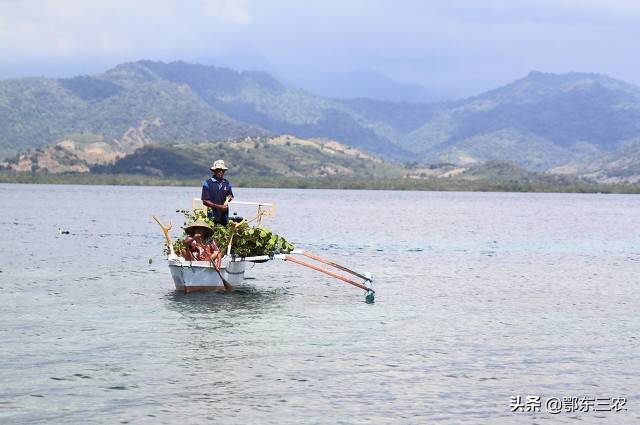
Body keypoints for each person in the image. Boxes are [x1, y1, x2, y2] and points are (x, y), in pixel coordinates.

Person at [201, 159, 234, 225]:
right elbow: (205, 201)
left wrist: (229, 198)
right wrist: (219, 207)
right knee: (212, 231)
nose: (221, 172)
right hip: (212, 216)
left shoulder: (226, 183)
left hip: (224, 216)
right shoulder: (207, 183)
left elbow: (230, 195)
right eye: (219, 170)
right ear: (214, 171)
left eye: (223, 170)